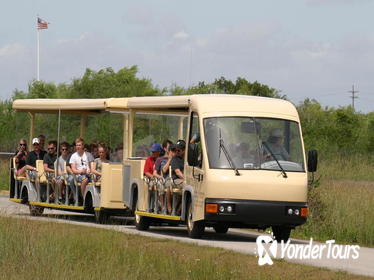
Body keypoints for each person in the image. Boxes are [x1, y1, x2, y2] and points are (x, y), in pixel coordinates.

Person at [153, 140, 173, 213]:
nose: (170, 149)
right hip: (162, 178)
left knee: (168, 184)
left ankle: (169, 206)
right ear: (165, 149)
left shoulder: (175, 158)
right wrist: (160, 177)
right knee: (161, 184)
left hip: (170, 179)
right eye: (169, 147)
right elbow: (154, 173)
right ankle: (164, 206)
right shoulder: (160, 159)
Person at [143, 143, 162, 212]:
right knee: (152, 185)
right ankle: (151, 206)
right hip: (151, 179)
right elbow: (146, 172)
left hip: (161, 179)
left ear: (159, 152)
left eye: (154, 151)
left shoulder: (161, 159)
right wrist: (153, 177)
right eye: (152, 151)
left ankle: (160, 205)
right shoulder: (149, 159)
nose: (152, 153)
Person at [170, 140, 186, 215]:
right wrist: (188, 180)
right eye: (176, 150)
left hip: (185, 180)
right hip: (176, 180)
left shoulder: (187, 159)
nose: (177, 151)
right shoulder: (174, 159)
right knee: (187, 186)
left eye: (179, 150)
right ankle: (178, 209)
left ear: (184, 150)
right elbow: (178, 173)